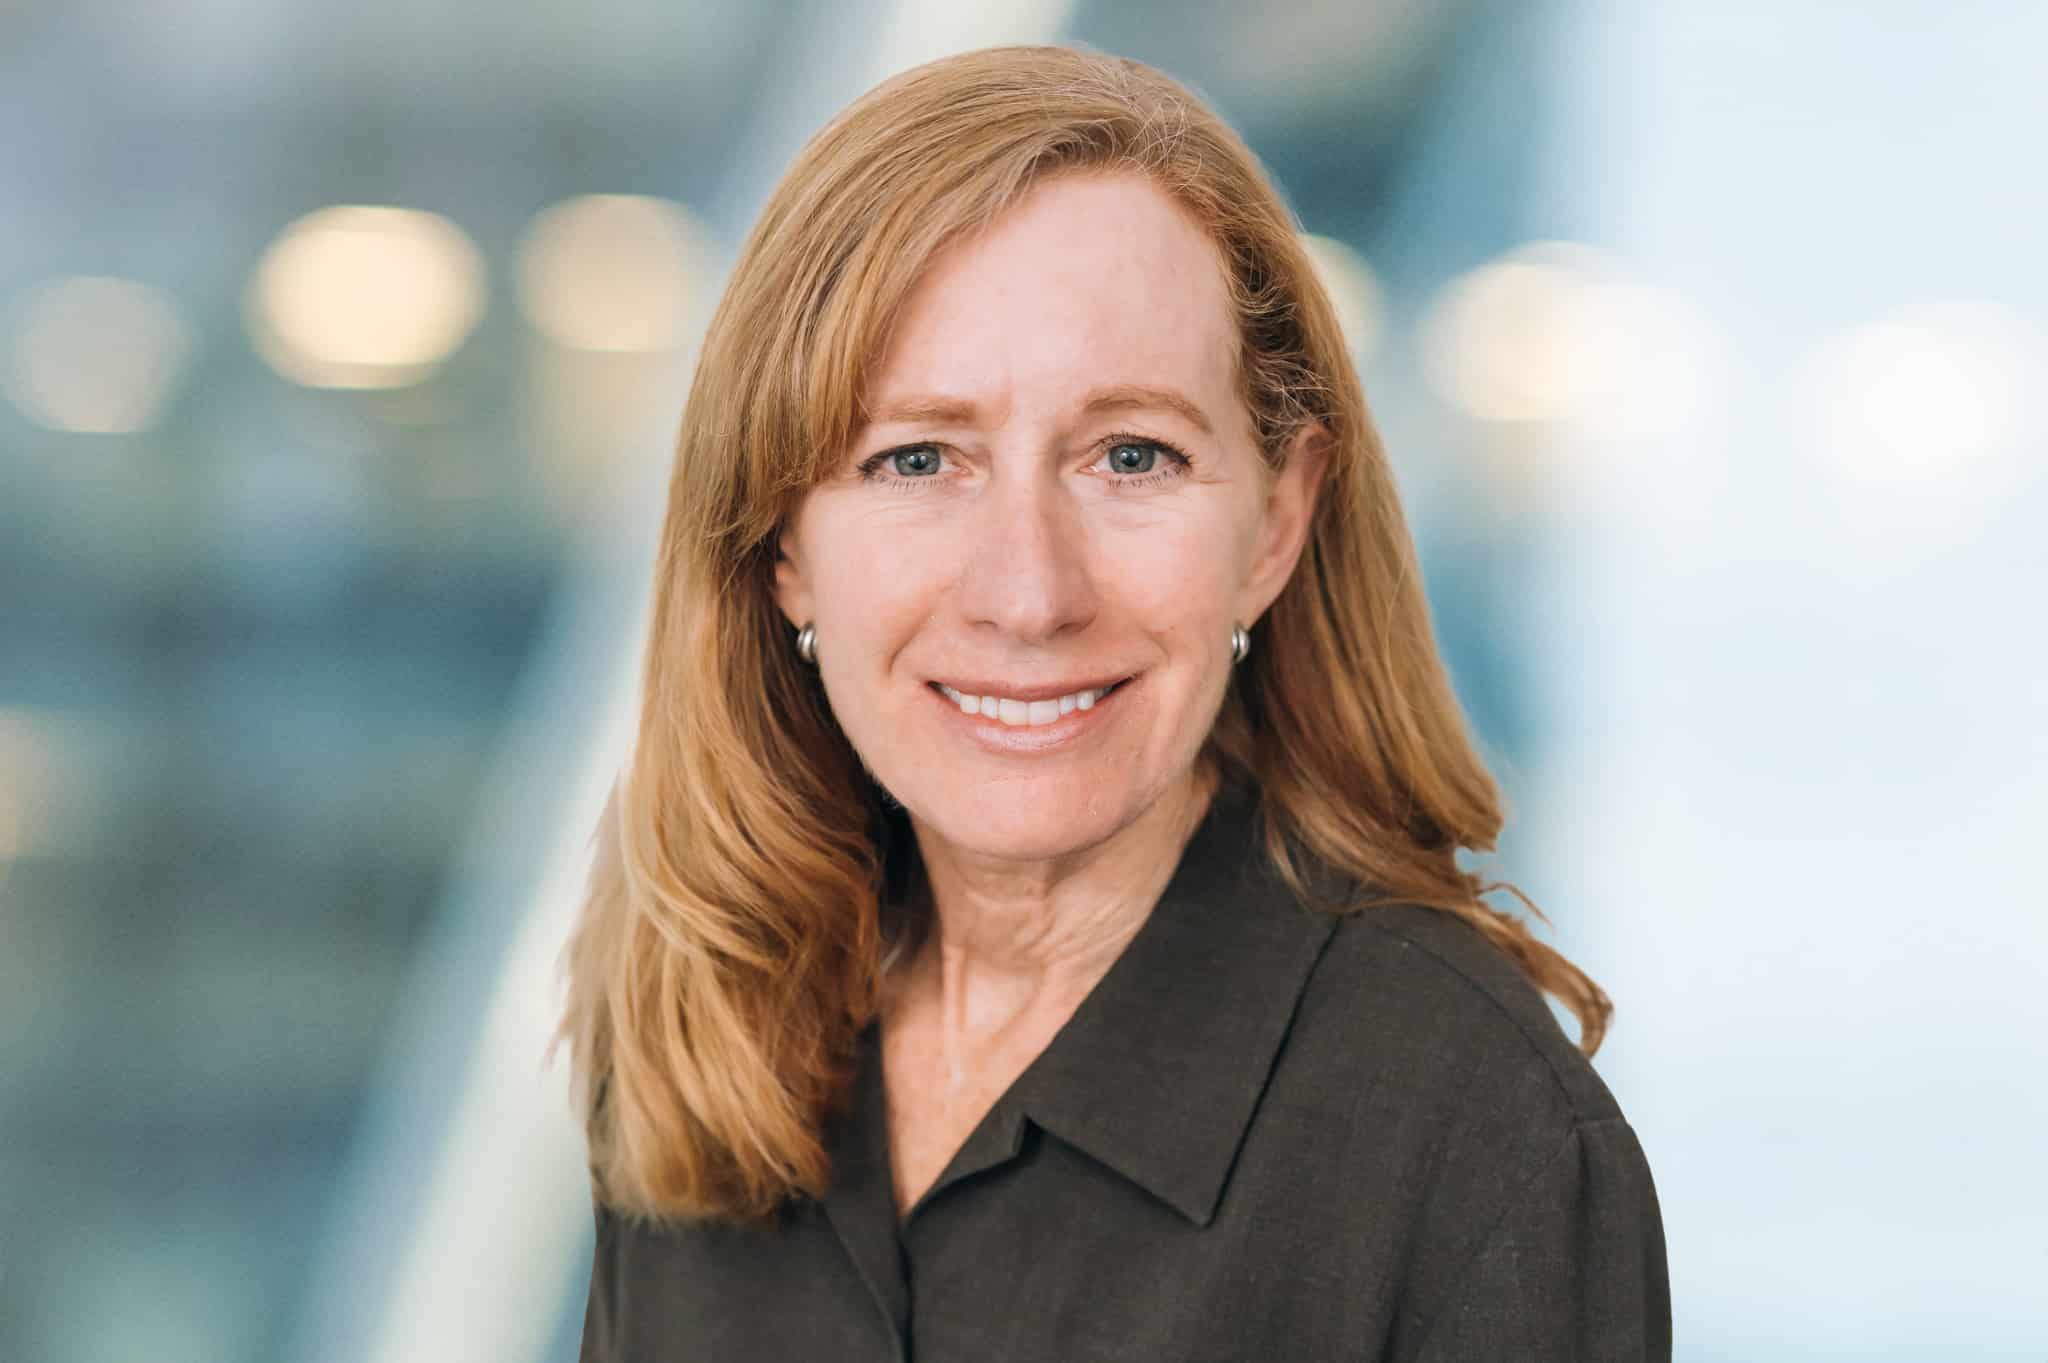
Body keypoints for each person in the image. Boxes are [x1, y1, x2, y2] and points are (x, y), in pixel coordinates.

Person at [560, 43, 1670, 1362]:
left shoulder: (1472, 1125)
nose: (1029, 593)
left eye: (1131, 454)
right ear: (783, 543)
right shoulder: (711, 1020)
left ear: (1278, 519)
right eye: (918, 456)